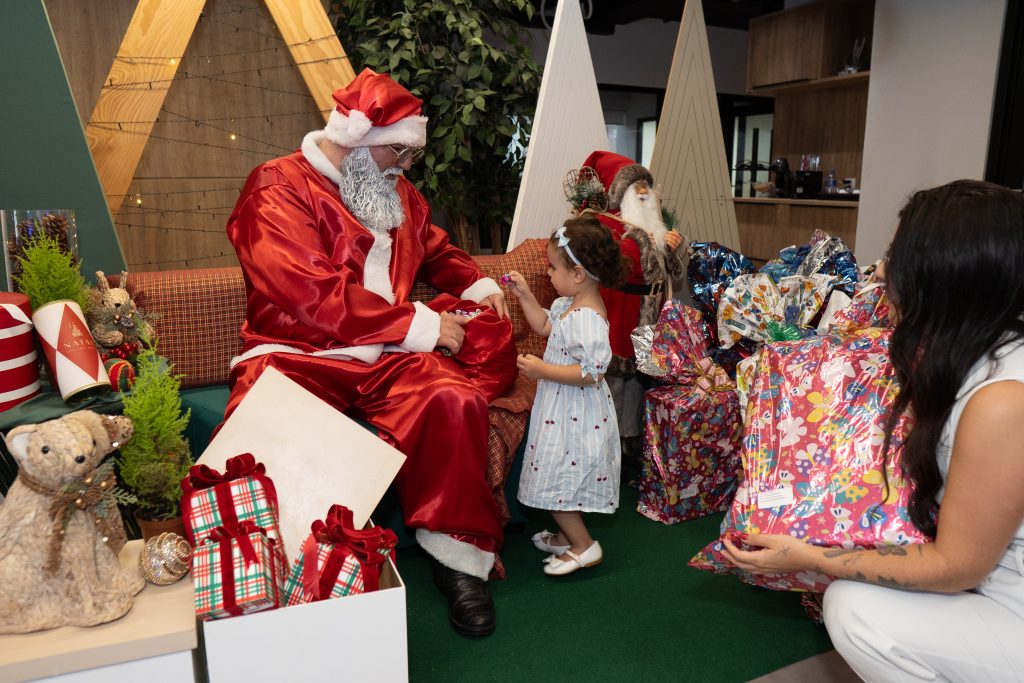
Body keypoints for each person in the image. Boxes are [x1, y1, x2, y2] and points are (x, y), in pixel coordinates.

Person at [224, 68, 518, 637]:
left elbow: (436, 249)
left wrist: (478, 284)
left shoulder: (392, 191)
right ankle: (275, 572)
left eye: (411, 155)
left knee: (452, 400)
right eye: (397, 152)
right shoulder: (276, 187)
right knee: (266, 433)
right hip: (298, 352)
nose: (406, 166)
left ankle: (457, 559)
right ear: (356, 139)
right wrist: (418, 324)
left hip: (385, 351)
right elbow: (309, 293)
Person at [722, 180, 1024, 681]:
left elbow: (958, 566)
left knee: (853, 608)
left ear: (944, 273)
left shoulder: (1003, 401)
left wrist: (815, 557)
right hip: (992, 582)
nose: (881, 271)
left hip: (1006, 601)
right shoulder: (979, 354)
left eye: (897, 257)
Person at [505, 215, 629, 575]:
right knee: (561, 476)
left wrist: (542, 370)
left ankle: (584, 545)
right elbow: (545, 325)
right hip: (562, 408)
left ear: (578, 274)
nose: (548, 273)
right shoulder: (568, 305)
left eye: (553, 267)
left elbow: (592, 373)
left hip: (576, 414)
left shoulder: (587, 318)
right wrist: (525, 295)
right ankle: (565, 536)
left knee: (556, 479)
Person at [577, 151, 686, 466]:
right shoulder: (603, 224)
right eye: (634, 184)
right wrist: (646, 241)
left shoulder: (655, 225)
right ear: (618, 191)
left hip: (649, 317)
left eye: (645, 184)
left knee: (640, 382)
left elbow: (670, 273)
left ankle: (631, 446)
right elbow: (616, 265)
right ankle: (605, 448)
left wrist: (672, 247)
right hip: (619, 313)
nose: (642, 190)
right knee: (614, 382)